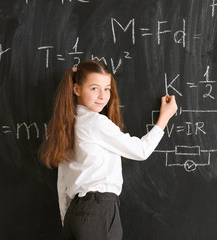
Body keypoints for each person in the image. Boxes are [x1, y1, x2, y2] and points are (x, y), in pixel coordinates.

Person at [39, 60, 177, 240]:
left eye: (107, 89)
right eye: (94, 88)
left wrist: (68, 220)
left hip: (77, 212)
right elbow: (141, 151)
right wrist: (164, 118)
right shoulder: (95, 122)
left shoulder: (65, 125)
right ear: (77, 89)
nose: (103, 96)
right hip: (99, 209)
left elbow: (62, 182)